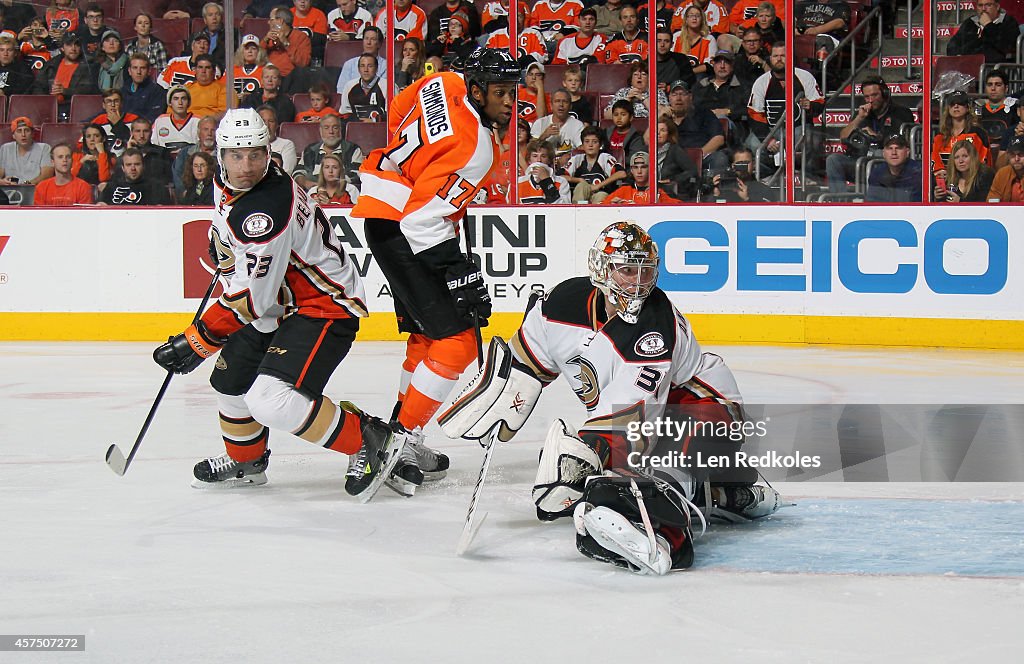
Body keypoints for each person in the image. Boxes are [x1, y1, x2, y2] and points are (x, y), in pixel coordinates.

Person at [440, 222, 783, 575]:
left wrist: (584, 464)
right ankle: (726, 496)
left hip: (708, 408)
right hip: (657, 413)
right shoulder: (560, 305)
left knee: (649, 466)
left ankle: (664, 540)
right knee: (604, 473)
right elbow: (526, 363)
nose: (636, 282)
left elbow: (627, 422)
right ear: (601, 269)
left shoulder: (653, 328)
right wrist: (510, 389)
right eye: (626, 270)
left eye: (644, 271)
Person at [152, 108, 407, 498]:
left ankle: (371, 440)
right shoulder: (231, 186)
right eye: (236, 156)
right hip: (280, 302)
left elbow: (253, 300)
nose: (247, 165)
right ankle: (247, 461)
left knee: (269, 400)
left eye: (255, 154)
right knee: (228, 382)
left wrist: (197, 340)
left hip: (323, 304)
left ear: (268, 151)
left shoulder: (265, 210)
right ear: (220, 156)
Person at [348, 48, 520, 495]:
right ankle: (393, 442)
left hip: (385, 212)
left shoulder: (445, 82)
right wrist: (458, 272)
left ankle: (405, 437)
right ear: (479, 89)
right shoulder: (476, 147)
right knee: (458, 342)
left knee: (427, 337)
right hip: (408, 230)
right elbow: (422, 222)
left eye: (512, 91)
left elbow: (398, 109)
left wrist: (419, 166)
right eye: (501, 92)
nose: (510, 102)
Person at [825, 75, 915, 194]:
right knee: (834, 160)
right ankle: (840, 202)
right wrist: (859, 118)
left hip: (887, 164)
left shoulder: (901, 113)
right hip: (861, 162)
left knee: (878, 155)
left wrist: (877, 136)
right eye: (867, 97)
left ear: (885, 93)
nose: (870, 100)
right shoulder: (863, 114)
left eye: (874, 95)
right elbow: (843, 138)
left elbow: (901, 144)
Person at [666, 79, 729, 172]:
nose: (678, 98)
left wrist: (697, 155)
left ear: (690, 97)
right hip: (673, 161)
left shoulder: (703, 113)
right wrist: (658, 116)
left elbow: (718, 139)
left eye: (683, 94)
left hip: (702, 157)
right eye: (674, 94)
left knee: (720, 158)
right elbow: (647, 141)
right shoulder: (664, 119)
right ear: (669, 98)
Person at [692, 51, 749, 141]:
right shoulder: (701, 85)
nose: (722, 66)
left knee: (721, 119)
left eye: (726, 62)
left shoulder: (742, 86)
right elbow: (692, 107)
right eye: (718, 62)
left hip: (732, 130)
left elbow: (749, 109)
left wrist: (728, 111)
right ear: (713, 64)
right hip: (702, 125)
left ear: (732, 65)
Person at [294, 113, 363, 188]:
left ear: (340, 130)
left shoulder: (353, 149)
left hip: (341, 192)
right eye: (326, 128)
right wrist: (305, 183)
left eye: (335, 127)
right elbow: (298, 172)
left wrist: (328, 186)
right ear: (321, 131)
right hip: (312, 192)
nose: (331, 132)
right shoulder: (309, 150)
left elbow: (356, 174)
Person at [931, 91, 990, 176]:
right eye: (952, 103)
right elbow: (936, 164)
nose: (956, 106)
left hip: (972, 181)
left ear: (967, 108)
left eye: (960, 103)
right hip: (945, 182)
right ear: (948, 108)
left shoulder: (978, 133)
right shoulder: (940, 136)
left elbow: (983, 163)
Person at [564, 125, 627, 203]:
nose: (590, 145)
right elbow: (559, 176)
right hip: (581, 197)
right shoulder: (576, 159)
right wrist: (579, 180)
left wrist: (598, 186)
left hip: (600, 194)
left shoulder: (605, 158)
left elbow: (622, 173)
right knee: (581, 186)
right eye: (587, 141)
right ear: (582, 145)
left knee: (600, 195)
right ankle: (578, 213)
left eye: (594, 142)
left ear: (600, 145)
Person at [34, 32, 98, 108]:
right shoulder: (51, 64)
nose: (73, 48)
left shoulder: (89, 65)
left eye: (77, 45)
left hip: (76, 108)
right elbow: (38, 86)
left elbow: (90, 89)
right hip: (49, 107)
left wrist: (65, 91)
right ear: (62, 48)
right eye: (69, 45)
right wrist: (45, 101)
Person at [946, 0, 1019, 63]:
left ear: (997, 7)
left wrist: (988, 25)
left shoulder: (1008, 22)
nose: (983, 9)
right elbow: (952, 46)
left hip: (994, 68)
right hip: (968, 65)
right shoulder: (970, 23)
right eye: (980, 5)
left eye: (988, 5)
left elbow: (1005, 47)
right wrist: (959, 56)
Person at [602, 150, 681, 204]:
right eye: (635, 167)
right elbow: (600, 206)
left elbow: (680, 208)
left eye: (643, 167)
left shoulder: (660, 190)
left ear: (651, 169)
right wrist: (611, 206)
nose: (639, 171)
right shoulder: (624, 190)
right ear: (631, 171)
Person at [99, 147, 171, 204]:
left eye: (137, 164)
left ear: (143, 166)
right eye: (128, 165)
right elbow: (100, 208)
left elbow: (163, 213)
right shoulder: (111, 187)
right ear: (123, 168)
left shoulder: (156, 187)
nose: (133, 168)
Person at [865, 133, 922, 203]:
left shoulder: (919, 172)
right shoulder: (877, 173)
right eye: (890, 148)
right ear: (883, 153)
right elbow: (872, 204)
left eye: (898, 148)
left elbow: (917, 206)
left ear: (907, 152)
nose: (894, 152)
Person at [935, 139, 995, 203]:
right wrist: (939, 197)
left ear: (973, 157)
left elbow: (984, 203)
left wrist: (960, 202)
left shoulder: (985, 175)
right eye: (956, 157)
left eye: (965, 156)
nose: (961, 161)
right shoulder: (950, 179)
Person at [532, 88, 586, 159]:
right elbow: (531, 149)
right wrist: (544, 136)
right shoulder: (540, 123)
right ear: (551, 106)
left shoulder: (578, 125)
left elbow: (581, 149)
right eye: (557, 101)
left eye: (565, 101)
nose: (561, 104)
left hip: (568, 163)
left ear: (570, 106)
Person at [708, 146, 776, 202]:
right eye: (739, 163)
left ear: (754, 164)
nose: (743, 166)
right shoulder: (724, 187)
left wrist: (747, 199)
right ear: (733, 166)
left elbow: (766, 214)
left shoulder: (763, 189)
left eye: (746, 162)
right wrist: (715, 194)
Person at [603, 61, 667, 120]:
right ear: (631, 79)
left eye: (643, 74)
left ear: (649, 79)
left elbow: (664, 115)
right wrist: (626, 100)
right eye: (635, 74)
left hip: (650, 127)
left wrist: (643, 98)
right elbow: (607, 116)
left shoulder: (657, 92)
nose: (639, 77)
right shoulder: (622, 92)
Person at [655, 115, 698, 200]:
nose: (658, 133)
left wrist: (672, 180)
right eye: (656, 130)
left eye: (662, 130)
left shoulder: (675, 150)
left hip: (670, 193)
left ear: (669, 134)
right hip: (650, 192)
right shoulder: (647, 150)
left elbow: (692, 171)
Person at [0, 117, 52, 185]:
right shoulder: (5, 148)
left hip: (34, 189)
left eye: (26, 130)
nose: (23, 135)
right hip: (10, 190)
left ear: (32, 133)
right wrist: (1, 182)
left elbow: (46, 176)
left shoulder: (44, 148)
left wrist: (25, 185)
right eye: (19, 131)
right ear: (13, 136)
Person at [172, 114, 217, 191]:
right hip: (189, 196)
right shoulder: (185, 153)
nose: (209, 134)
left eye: (213, 130)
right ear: (199, 133)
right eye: (205, 129)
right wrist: (184, 192)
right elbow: (177, 176)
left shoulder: (223, 156)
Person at [263, 5, 311, 78]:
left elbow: (303, 63)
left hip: (290, 79)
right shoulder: (269, 38)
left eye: (271, 19)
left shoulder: (301, 37)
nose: (268, 22)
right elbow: (256, 59)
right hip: (267, 77)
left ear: (280, 21)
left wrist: (286, 44)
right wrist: (264, 41)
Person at [518, 139, 571, 204]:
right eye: (535, 156)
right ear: (529, 160)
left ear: (549, 160)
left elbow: (565, 210)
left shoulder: (561, 182)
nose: (539, 160)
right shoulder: (518, 183)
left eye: (543, 156)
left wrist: (547, 181)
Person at [335, 26, 386, 93]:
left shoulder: (386, 65)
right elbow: (341, 90)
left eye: (373, 39)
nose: (368, 42)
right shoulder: (349, 64)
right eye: (366, 38)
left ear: (379, 44)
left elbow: (384, 90)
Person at [338, 53, 385, 123]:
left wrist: (375, 120)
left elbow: (394, 114)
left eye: (370, 66)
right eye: (362, 66)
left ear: (376, 68)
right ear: (358, 69)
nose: (366, 70)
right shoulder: (349, 86)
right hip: (356, 130)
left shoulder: (387, 86)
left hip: (381, 130)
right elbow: (345, 114)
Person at [92, 88, 140, 156]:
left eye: (116, 101)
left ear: (122, 103)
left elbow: (139, 142)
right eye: (109, 101)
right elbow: (82, 143)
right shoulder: (98, 121)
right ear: (103, 105)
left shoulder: (134, 119)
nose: (113, 105)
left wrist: (118, 124)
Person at [672, 5, 715, 77]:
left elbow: (710, 65)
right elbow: (670, 59)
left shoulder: (709, 39)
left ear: (702, 20)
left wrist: (689, 72)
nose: (694, 18)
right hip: (677, 74)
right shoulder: (677, 36)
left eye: (697, 16)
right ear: (686, 19)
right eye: (691, 15)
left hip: (699, 76)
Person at [122, 53, 166, 122]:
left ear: (149, 71)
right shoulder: (122, 91)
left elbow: (154, 117)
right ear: (129, 71)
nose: (138, 72)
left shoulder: (157, 92)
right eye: (135, 68)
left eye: (142, 68)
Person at [126, 116, 173, 182]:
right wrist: (129, 153)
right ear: (131, 133)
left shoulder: (162, 153)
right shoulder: (124, 156)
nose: (142, 135)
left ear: (151, 133)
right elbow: (120, 180)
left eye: (145, 131)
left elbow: (170, 180)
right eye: (138, 131)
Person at [977, 69, 1017, 141]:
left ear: (1006, 88)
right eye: (989, 85)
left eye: (998, 85)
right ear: (985, 88)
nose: (993, 88)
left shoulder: (1015, 109)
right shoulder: (978, 110)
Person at [257, 104, 298, 174]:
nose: (267, 125)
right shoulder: (249, 146)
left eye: (271, 121)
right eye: (263, 121)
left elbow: (287, 172)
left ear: (277, 125)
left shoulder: (287, 145)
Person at [654, 27, 695, 93]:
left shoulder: (681, 59)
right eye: (658, 41)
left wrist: (670, 87)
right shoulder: (647, 63)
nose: (662, 45)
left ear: (672, 44)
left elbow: (690, 81)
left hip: (676, 96)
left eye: (666, 41)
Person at [985, 135, 1024, 202]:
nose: (1016, 159)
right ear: (1008, 156)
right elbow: (992, 199)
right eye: (1012, 155)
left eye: (1021, 154)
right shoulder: (1002, 174)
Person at [188, 2, 227, 68]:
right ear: (205, 20)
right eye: (210, 15)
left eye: (217, 14)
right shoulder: (196, 37)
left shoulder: (230, 35)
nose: (214, 18)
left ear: (221, 18)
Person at [233, 33, 267, 98]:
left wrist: (251, 97)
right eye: (247, 48)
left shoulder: (265, 70)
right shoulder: (232, 69)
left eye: (253, 48)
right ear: (242, 51)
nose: (250, 51)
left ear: (259, 51)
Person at [518, 60, 550, 124]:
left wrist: (540, 88)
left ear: (543, 79)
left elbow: (542, 118)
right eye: (530, 74)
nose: (533, 78)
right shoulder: (517, 93)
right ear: (526, 78)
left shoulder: (548, 98)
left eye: (538, 75)